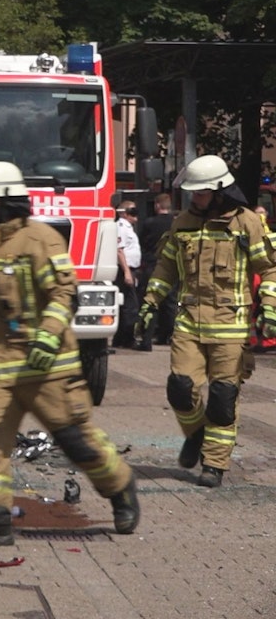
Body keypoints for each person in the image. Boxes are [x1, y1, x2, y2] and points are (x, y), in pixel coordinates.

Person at [0, 162, 138, 547]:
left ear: (5, 201)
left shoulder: (39, 239)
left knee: (77, 443)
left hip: (45, 367)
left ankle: (120, 486)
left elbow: (65, 294)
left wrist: (49, 337)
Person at [137, 155, 276, 488]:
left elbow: (269, 269)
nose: (194, 198)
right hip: (189, 324)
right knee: (180, 389)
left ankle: (214, 463)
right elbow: (166, 268)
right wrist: (149, 304)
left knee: (223, 399)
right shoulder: (183, 222)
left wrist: (269, 308)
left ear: (219, 190)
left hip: (231, 325)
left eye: (199, 193)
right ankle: (196, 433)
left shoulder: (247, 223)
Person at [137, 193, 176, 348]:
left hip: (153, 265)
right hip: (171, 266)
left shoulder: (149, 223)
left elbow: (142, 243)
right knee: (171, 303)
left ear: (158, 206)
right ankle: (168, 336)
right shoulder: (176, 223)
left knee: (151, 301)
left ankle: (146, 339)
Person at [112, 201, 141, 348]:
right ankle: (127, 339)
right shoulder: (121, 227)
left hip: (129, 269)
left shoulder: (128, 227)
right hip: (125, 269)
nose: (135, 215)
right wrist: (127, 272)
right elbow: (119, 250)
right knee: (131, 306)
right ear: (123, 213)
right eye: (132, 211)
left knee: (126, 306)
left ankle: (120, 339)